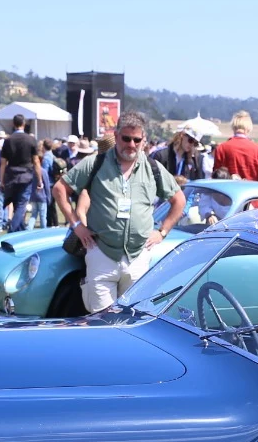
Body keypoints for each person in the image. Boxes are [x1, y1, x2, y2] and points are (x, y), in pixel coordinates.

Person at [54, 110, 185, 312]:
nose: (131, 144)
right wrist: (77, 225)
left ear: (143, 140)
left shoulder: (153, 168)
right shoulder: (95, 163)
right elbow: (60, 189)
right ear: (116, 136)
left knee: (133, 320)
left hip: (138, 257)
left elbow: (179, 200)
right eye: (126, 138)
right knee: (101, 322)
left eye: (136, 140)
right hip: (102, 253)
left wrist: (162, 232)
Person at [0, 114, 41, 231]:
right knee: (21, 205)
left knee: (17, 205)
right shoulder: (31, 140)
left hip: (11, 176)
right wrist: (40, 180)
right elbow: (36, 161)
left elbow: (3, 163)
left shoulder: (8, 141)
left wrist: (1, 180)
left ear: (13, 124)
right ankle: (12, 230)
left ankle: (20, 232)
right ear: (24, 124)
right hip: (26, 176)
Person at [213, 110, 258, 182]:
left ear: (233, 127)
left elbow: (216, 176)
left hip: (228, 188)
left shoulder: (221, 148)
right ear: (249, 128)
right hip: (251, 188)